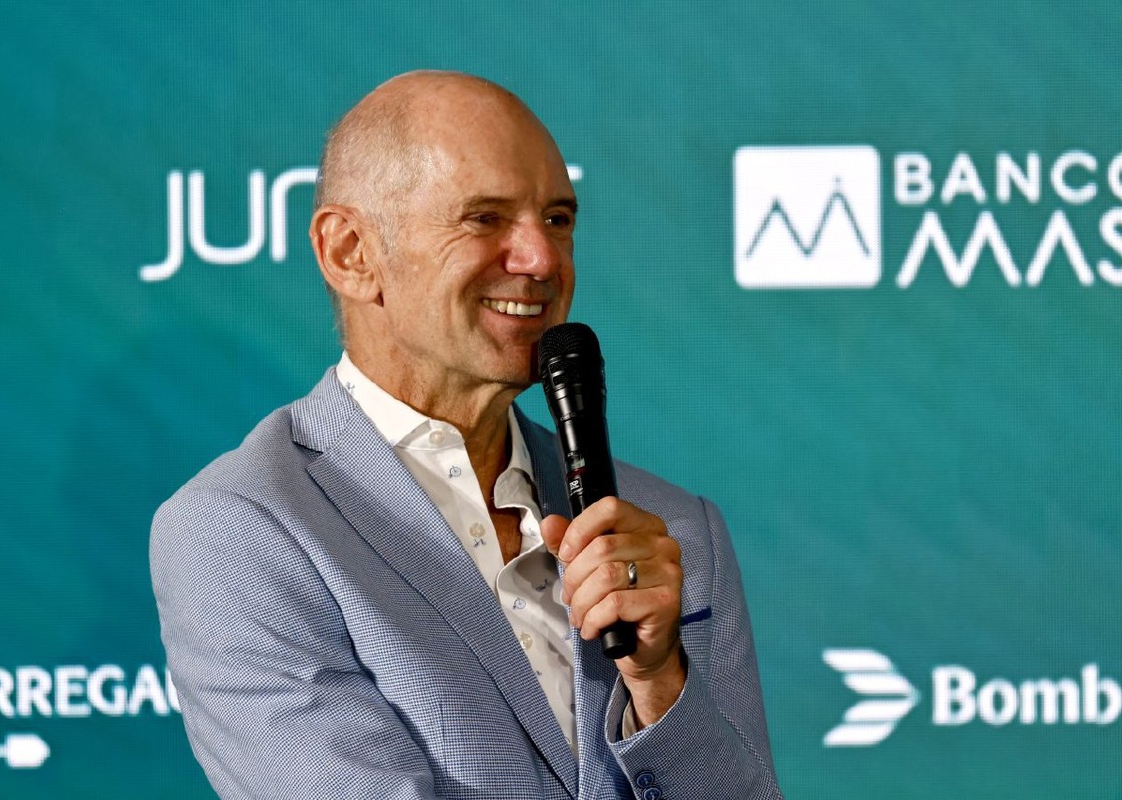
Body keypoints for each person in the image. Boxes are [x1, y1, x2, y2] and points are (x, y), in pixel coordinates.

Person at [151, 70, 781, 800]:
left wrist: (660, 683)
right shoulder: (241, 530)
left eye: (558, 219)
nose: (542, 260)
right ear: (351, 252)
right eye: (485, 218)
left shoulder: (673, 531)